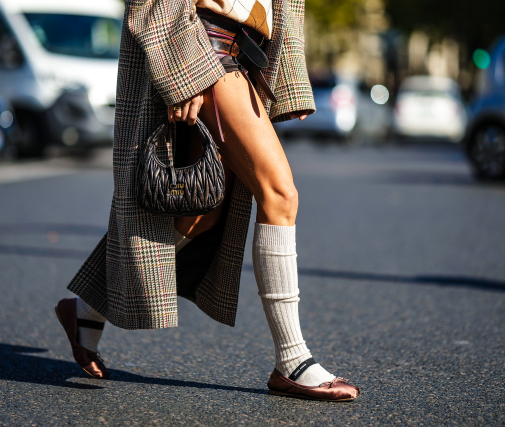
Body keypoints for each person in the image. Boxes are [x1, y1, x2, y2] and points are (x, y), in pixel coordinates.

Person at [54, 0, 360, 402]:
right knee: (280, 193)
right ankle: (292, 360)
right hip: (204, 48)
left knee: (202, 215)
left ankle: (86, 310)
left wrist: (287, 74)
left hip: (241, 51)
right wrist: (183, 71)